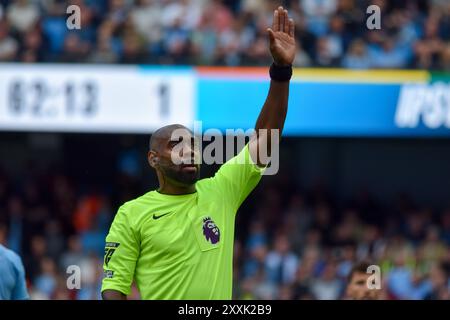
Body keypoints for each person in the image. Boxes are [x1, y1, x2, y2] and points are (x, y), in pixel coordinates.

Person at [101, 6, 296, 300]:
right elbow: (114, 290)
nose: (189, 151)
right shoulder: (131, 215)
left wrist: (280, 74)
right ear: (153, 159)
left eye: (193, 145)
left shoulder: (222, 190)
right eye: (176, 145)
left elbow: (266, 138)